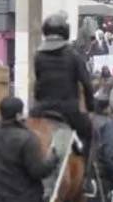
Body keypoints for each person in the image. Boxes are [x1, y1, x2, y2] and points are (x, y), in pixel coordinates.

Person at [30, 13, 96, 176]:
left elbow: (38, 83)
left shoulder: (38, 56)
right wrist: (91, 107)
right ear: (65, 32)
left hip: (41, 108)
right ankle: (87, 178)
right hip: (68, 110)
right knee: (91, 133)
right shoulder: (73, 55)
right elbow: (86, 84)